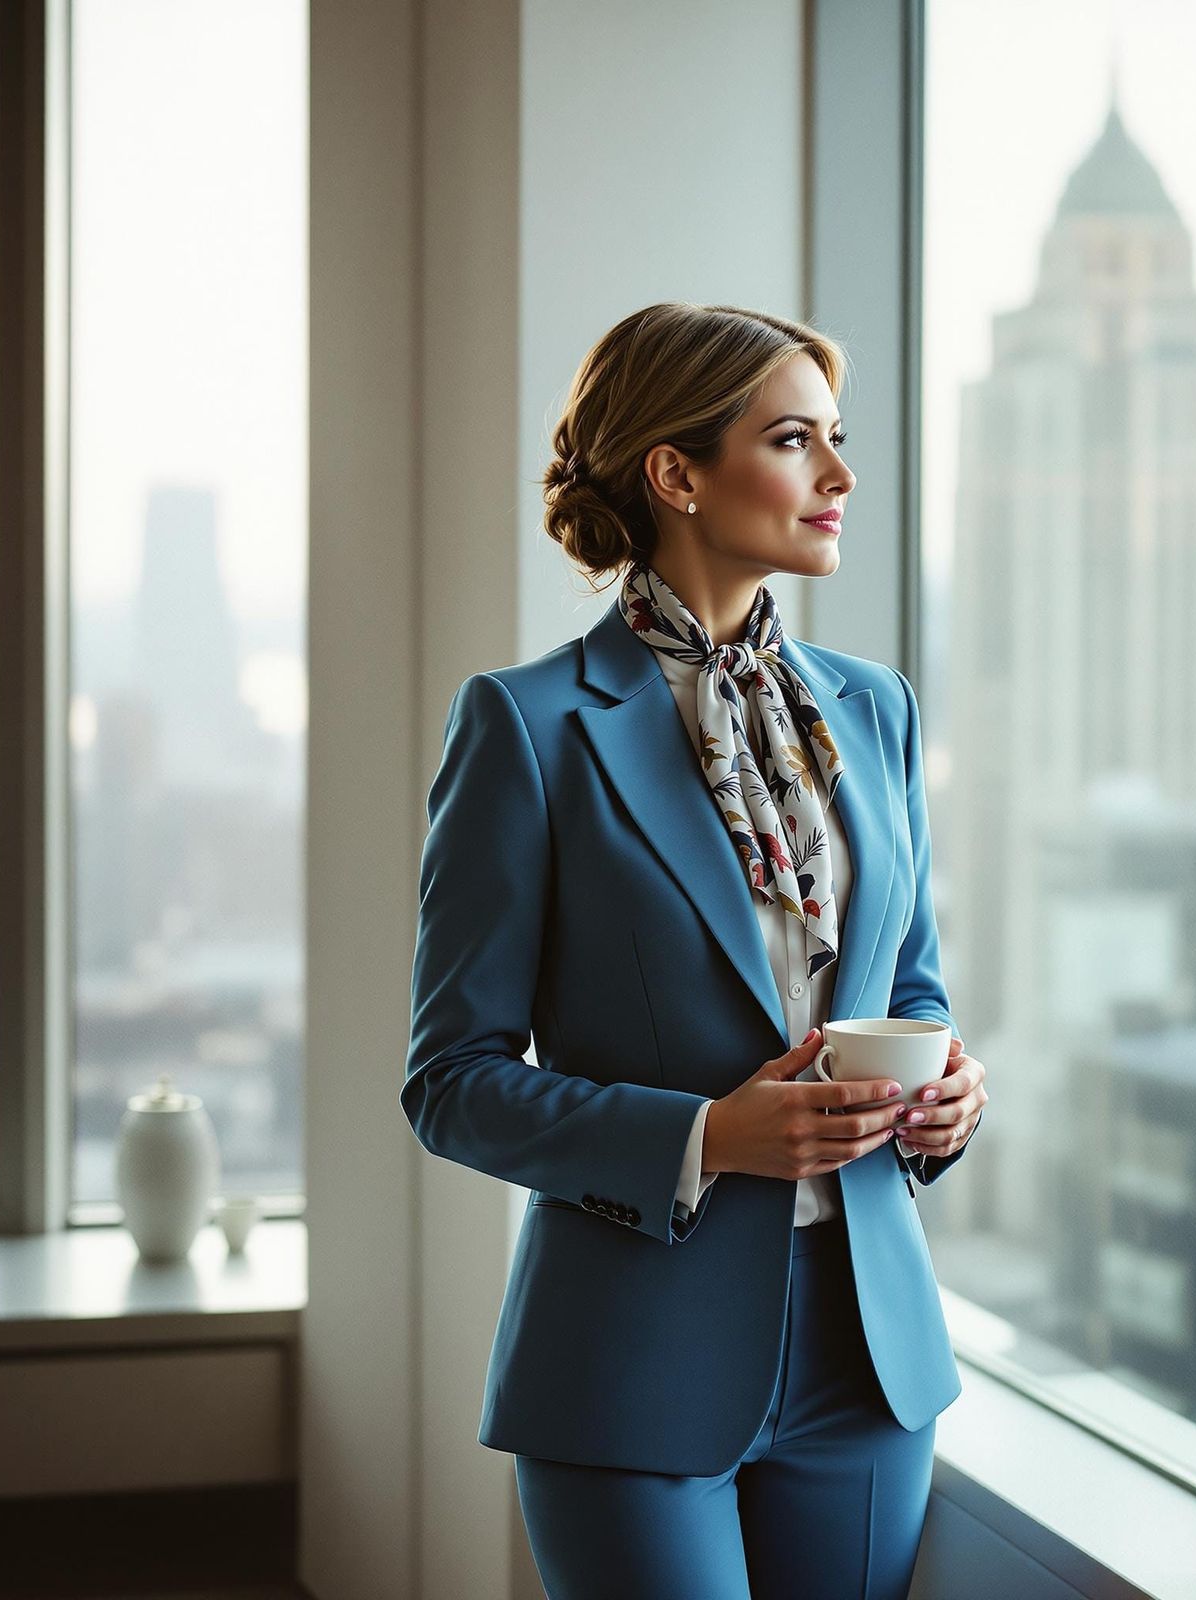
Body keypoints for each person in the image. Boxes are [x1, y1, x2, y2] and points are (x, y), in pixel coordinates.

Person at [400, 302, 988, 1599]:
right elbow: (451, 1082)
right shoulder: (531, 728)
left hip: (867, 1345)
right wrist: (709, 1137)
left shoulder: (871, 710)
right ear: (676, 472)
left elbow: (912, 982)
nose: (839, 477)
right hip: (630, 1360)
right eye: (794, 441)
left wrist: (946, 1089)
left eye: (838, 440)